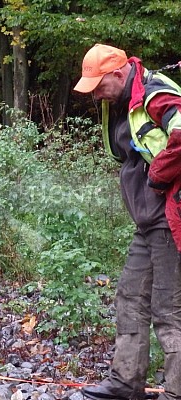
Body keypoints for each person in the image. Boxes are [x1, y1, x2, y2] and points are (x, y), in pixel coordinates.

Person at [74, 43, 181, 400]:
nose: (96, 96)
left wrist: (158, 177)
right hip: (148, 221)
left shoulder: (154, 96)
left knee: (169, 310)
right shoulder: (122, 101)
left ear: (118, 75)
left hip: (172, 219)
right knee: (130, 298)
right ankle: (125, 383)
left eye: (99, 86)